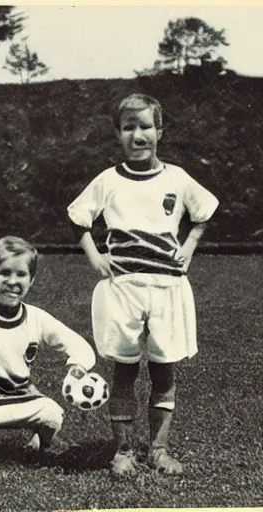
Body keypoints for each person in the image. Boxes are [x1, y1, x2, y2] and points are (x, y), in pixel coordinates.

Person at [67, 93, 219, 477]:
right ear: (118, 134)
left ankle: (159, 449)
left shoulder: (176, 178)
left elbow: (204, 212)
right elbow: (79, 218)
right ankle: (122, 451)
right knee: (125, 371)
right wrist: (95, 255)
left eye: (146, 126)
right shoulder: (108, 179)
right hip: (123, 289)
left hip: (167, 288)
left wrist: (189, 246)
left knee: (164, 371)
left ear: (160, 131)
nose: (138, 135)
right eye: (129, 128)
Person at [0, 236, 97, 481]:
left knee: (53, 414)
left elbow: (80, 346)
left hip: (23, 398)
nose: (13, 282)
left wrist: (77, 369)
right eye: (4, 273)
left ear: (31, 280)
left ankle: (37, 442)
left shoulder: (36, 318)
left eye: (21, 275)